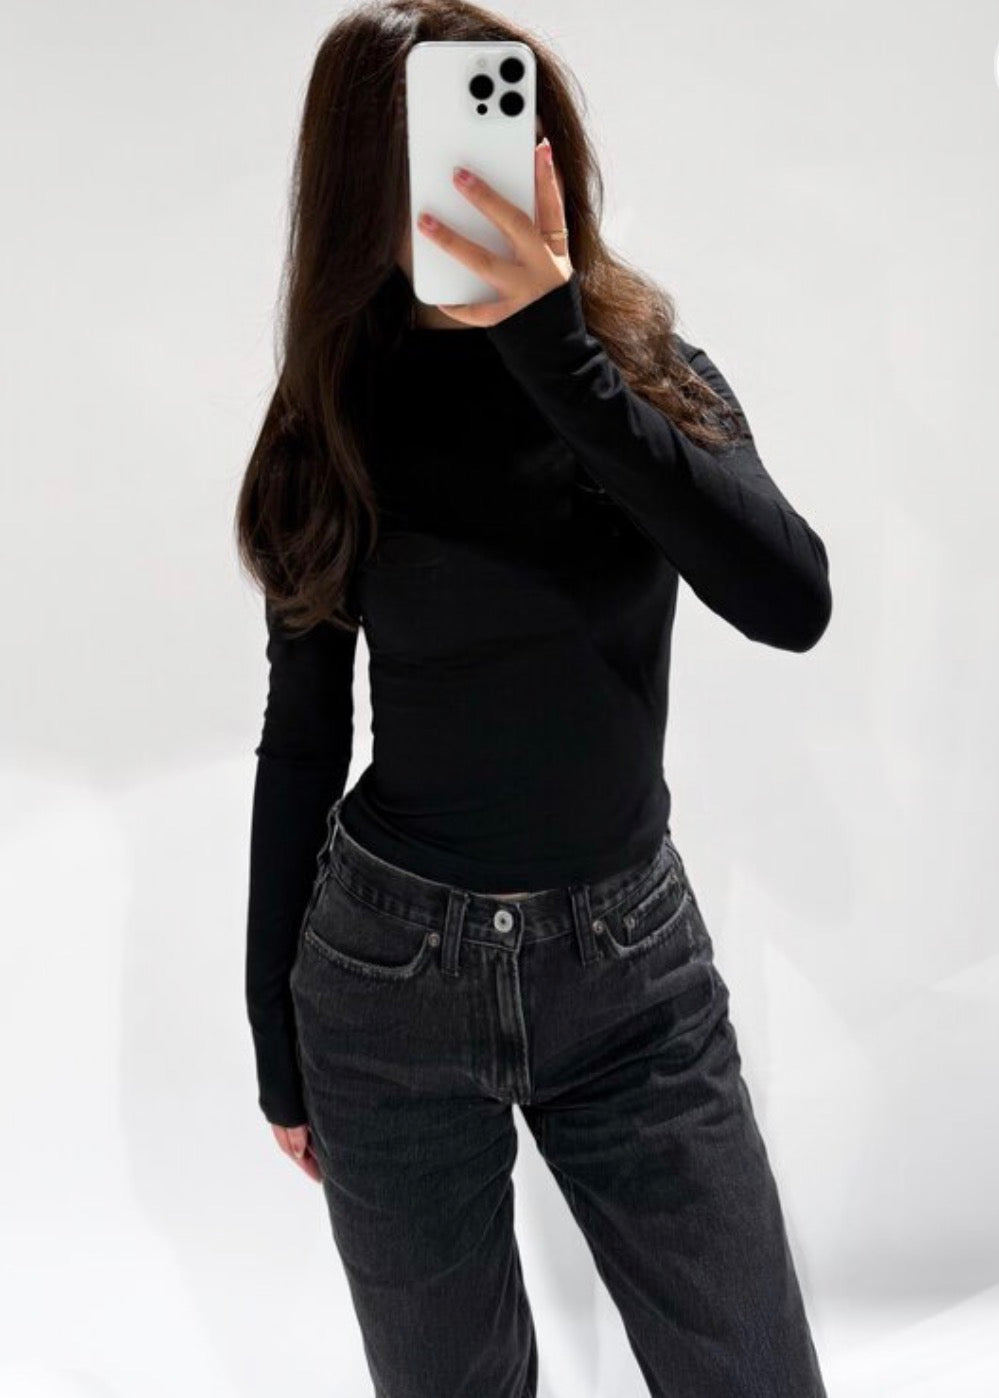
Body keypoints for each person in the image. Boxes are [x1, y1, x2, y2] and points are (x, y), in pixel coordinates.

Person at [234, 4, 832, 1395]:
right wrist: (276, 1038)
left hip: (632, 979)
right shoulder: (333, 417)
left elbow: (789, 600)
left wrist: (557, 352)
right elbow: (302, 737)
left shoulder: (639, 368)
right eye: (425, 161)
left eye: (504, 133)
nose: (474, 180)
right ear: (363, 193)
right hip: (386, 982)